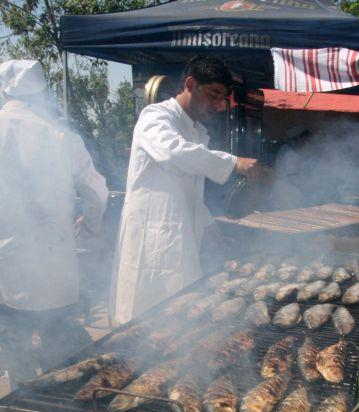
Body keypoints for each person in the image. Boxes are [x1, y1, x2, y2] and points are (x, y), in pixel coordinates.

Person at [0, 59, 108, 382]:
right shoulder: (60, 135)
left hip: (3, 260)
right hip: (55, 262)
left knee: (16, 348)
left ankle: (21, 408)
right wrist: (91, 224)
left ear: (4, 90)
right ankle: (62, 407)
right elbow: (96, 190)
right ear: (41, 94)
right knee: (59, 351)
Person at [110, 55, 259, 325]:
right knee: (142, 324)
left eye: (223, 98)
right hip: (150, 242)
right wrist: (234, 162)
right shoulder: (155, 117)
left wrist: (211, 229)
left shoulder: (197, 133)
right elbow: (173, 152)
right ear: (190, 84)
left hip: (181, 243)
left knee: (177, 324)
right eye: (214, 95)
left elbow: (192, 196)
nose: (219, 105)